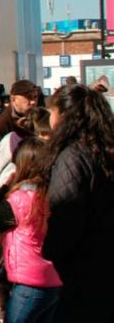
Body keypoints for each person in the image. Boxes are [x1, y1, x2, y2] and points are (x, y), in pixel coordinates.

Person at [42, 84, 114, 321]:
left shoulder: (72, 156)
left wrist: (50, 248)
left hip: (85, 273)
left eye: (52, 112)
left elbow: (66, 217)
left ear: (64, 116)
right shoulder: (105, 151)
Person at [0, 137, 62, 323]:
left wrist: (4, 188)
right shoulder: (52, 195)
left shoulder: (20, 200)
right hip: (54, 279)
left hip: (29, 283)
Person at [0, 80, 38, 167]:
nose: (33, 102)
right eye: (28, 97)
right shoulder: (1, 125)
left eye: (35, 97)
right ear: (14, 99)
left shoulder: (40, 117)